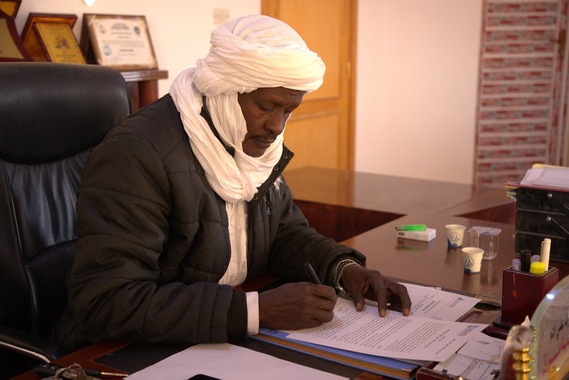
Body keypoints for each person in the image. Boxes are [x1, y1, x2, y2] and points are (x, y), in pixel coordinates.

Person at [53, 14, 411, 350]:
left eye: (289, 111)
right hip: (122, 350)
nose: (277, 126)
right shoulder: (139, 154)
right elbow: (106, 302)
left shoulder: (251, 141)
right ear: (225, 90)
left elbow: (281, 233)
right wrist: (252, 312)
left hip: (210, 336)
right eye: (266, 106)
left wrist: (343, 268)